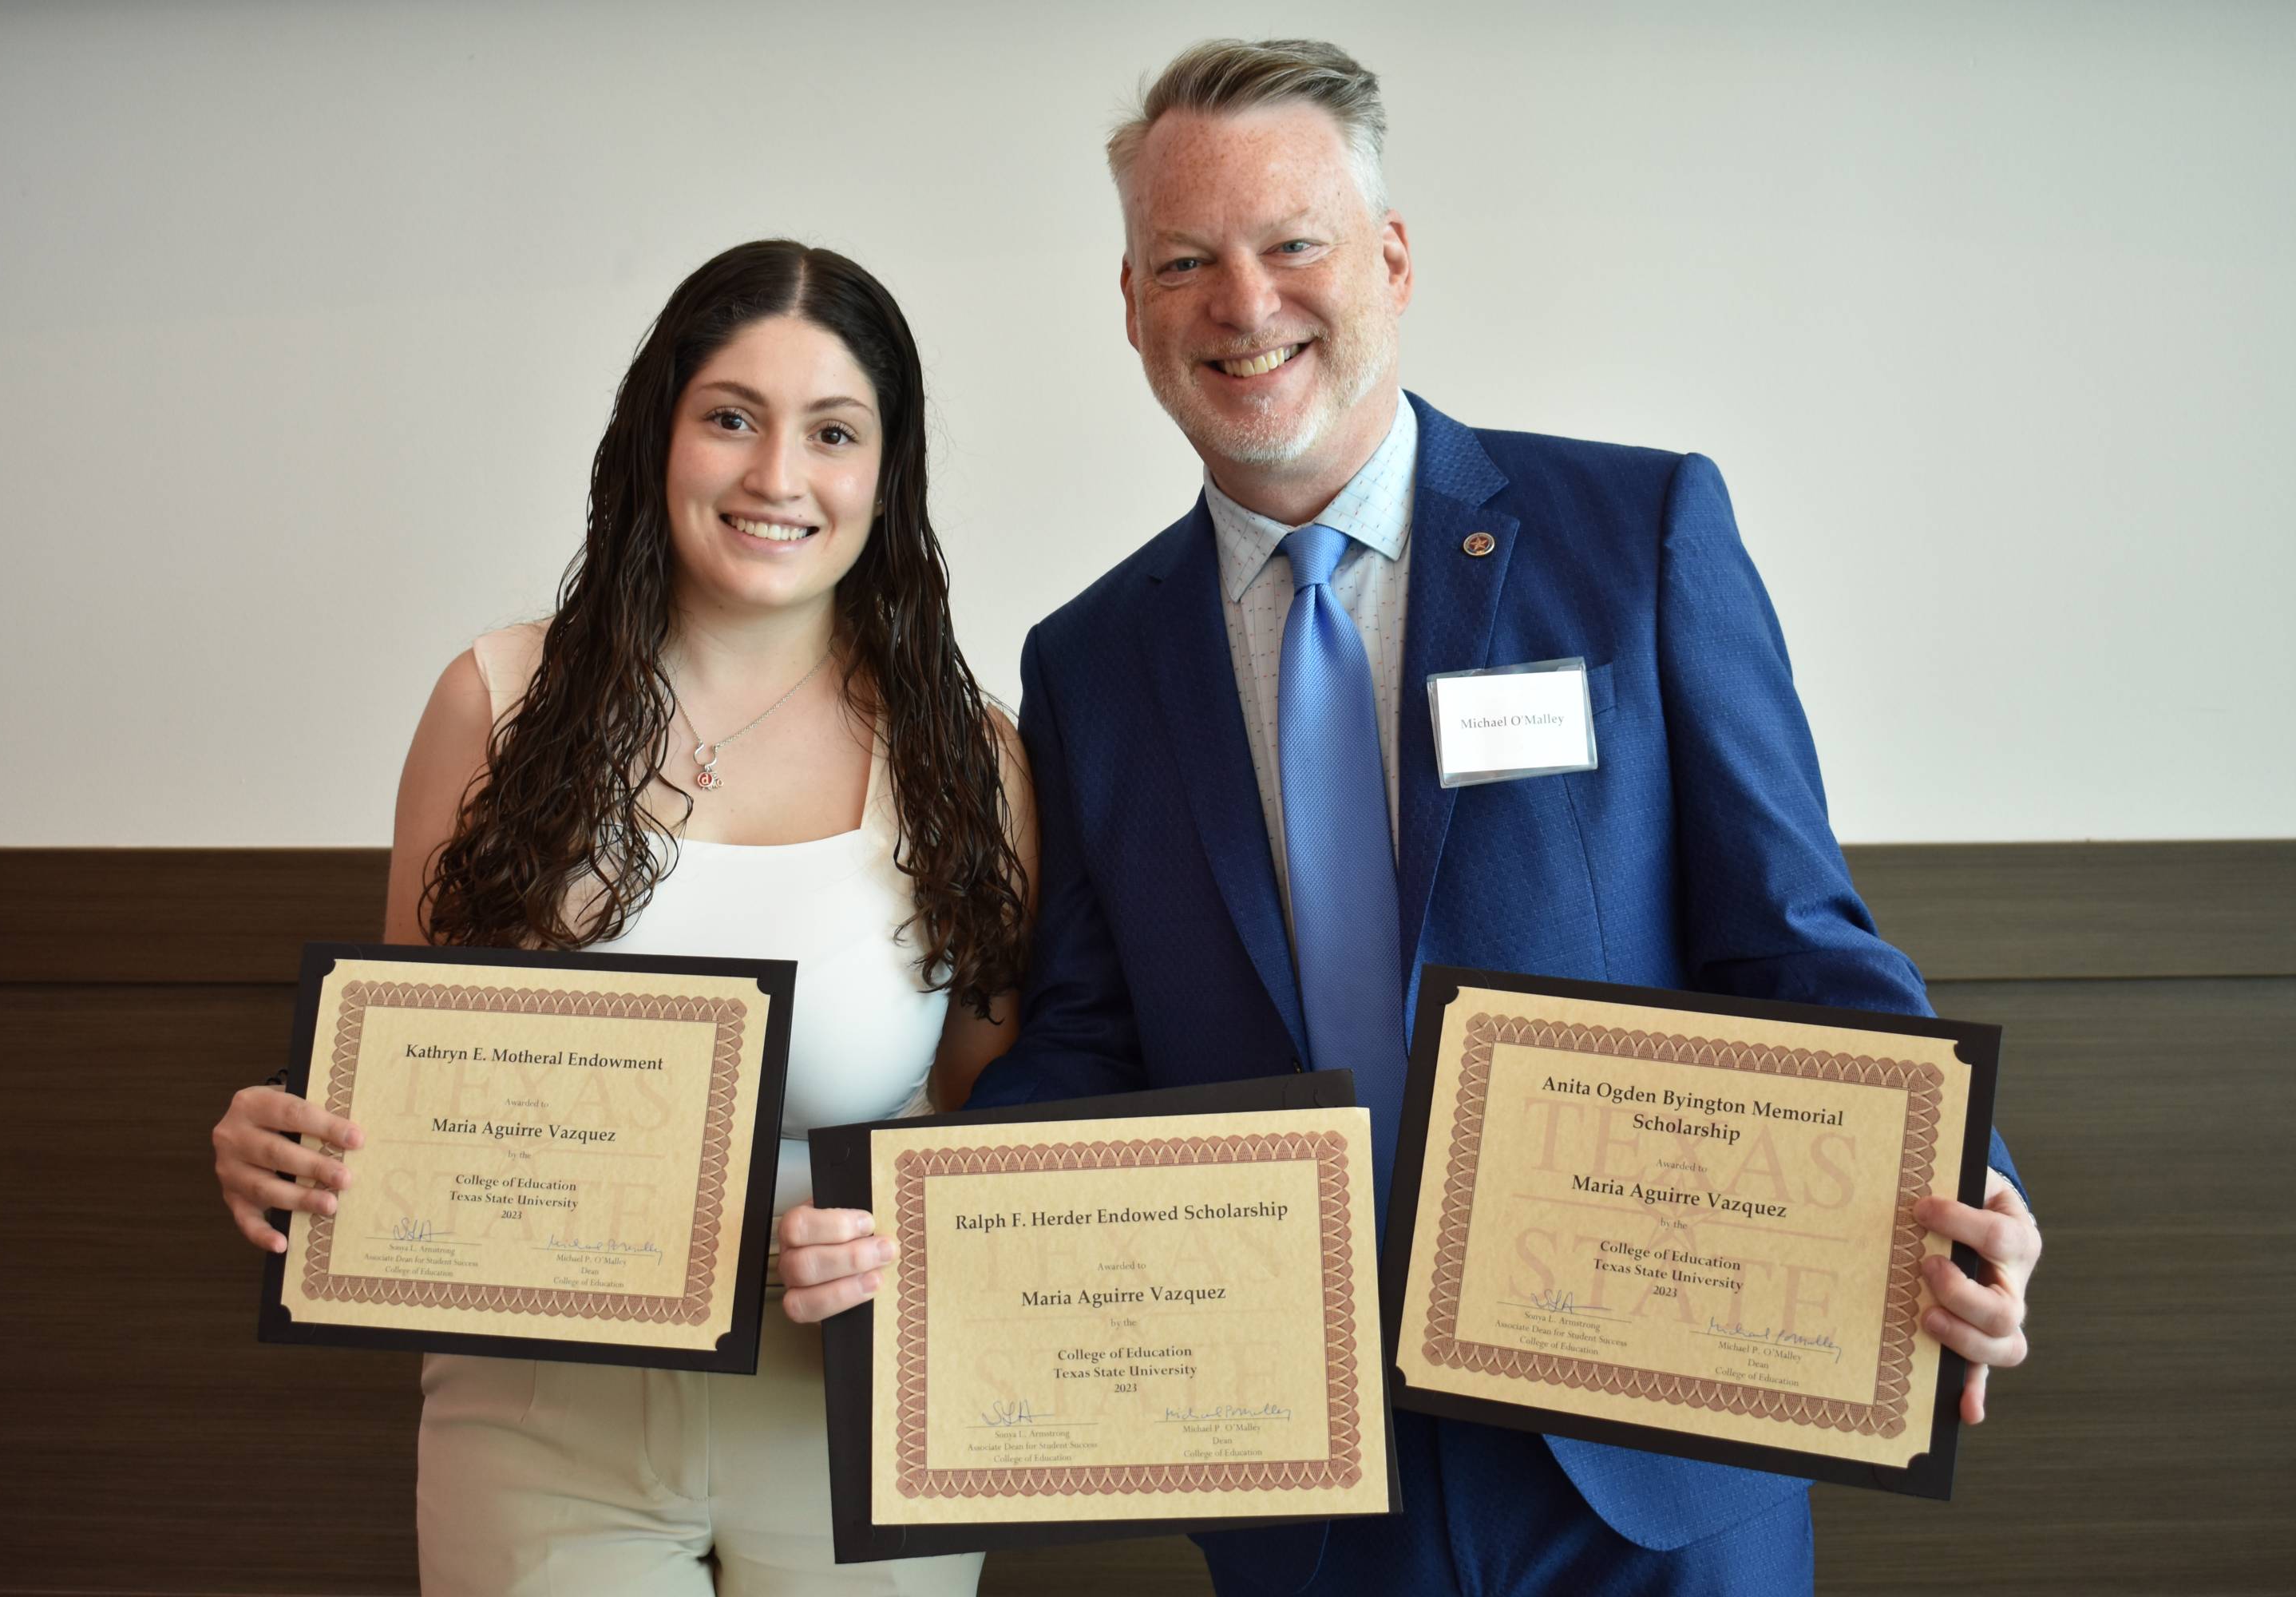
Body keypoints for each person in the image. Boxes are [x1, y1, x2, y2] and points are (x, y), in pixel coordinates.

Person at [802, 37, 2043, 1597]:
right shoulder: (1091, 660)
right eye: (1183, 260)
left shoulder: (1637, 535)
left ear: (1389, 258)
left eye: (1292, 244)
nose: (1242, 305)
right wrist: (931, 1227)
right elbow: (1092, 1038)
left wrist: (1968, 1184)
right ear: (1130, 307)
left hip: (1650, 1464)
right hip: (1307, 1489)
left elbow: (1798, 941)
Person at [209, 239, 1031, 1595]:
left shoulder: (969, 755)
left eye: (832, 431)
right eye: (730, 418)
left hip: (847, 1405)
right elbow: (403, 1078)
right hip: (533, 1415)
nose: (777, 477)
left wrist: (894, 1231)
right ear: (659, 435)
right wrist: (286, 1141)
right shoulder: (496, 700)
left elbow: (994, 1120)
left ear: (887, 476)